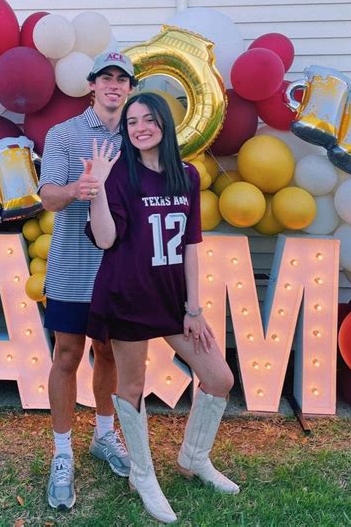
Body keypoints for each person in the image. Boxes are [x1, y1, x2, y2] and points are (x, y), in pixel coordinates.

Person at [84, 92, 239, 523]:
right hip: (128, 296)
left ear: (163, 125)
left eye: (148, 120)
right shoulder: (120, 175)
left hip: (172, 300)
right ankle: (142, 474)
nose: (139, 128)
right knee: (132, 387)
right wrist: (97, 188)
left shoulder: (185, 175)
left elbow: (190, 244)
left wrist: (194, 307)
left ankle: (194, 459)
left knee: (218, 377)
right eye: (131, 122)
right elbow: (105, 239)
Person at [39, 51, 138, 511]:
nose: (114, 85)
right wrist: (78, 189)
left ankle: (103, 435)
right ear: (92, 85)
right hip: (73, 268)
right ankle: (62, 454)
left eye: (123, 79)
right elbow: (48, 198)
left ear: (130, 89)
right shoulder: (64, 134)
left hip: (121, 269)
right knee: (67, 354)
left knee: (109, 352)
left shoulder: (142, 133)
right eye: (106, 78)